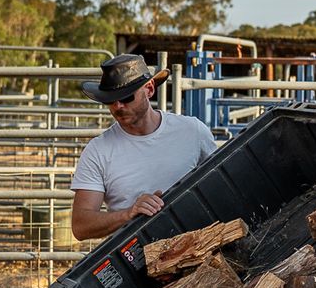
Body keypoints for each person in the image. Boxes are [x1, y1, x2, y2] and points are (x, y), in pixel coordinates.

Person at [69, 53, 217, 241]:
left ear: (149, 89)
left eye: (126, 97)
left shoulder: (193, 131)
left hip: (197, 247)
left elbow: (219, 185)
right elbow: (81, 225)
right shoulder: (98, 151)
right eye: (110, 100)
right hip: (137, 258)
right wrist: (129, 214)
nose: (118, 106)